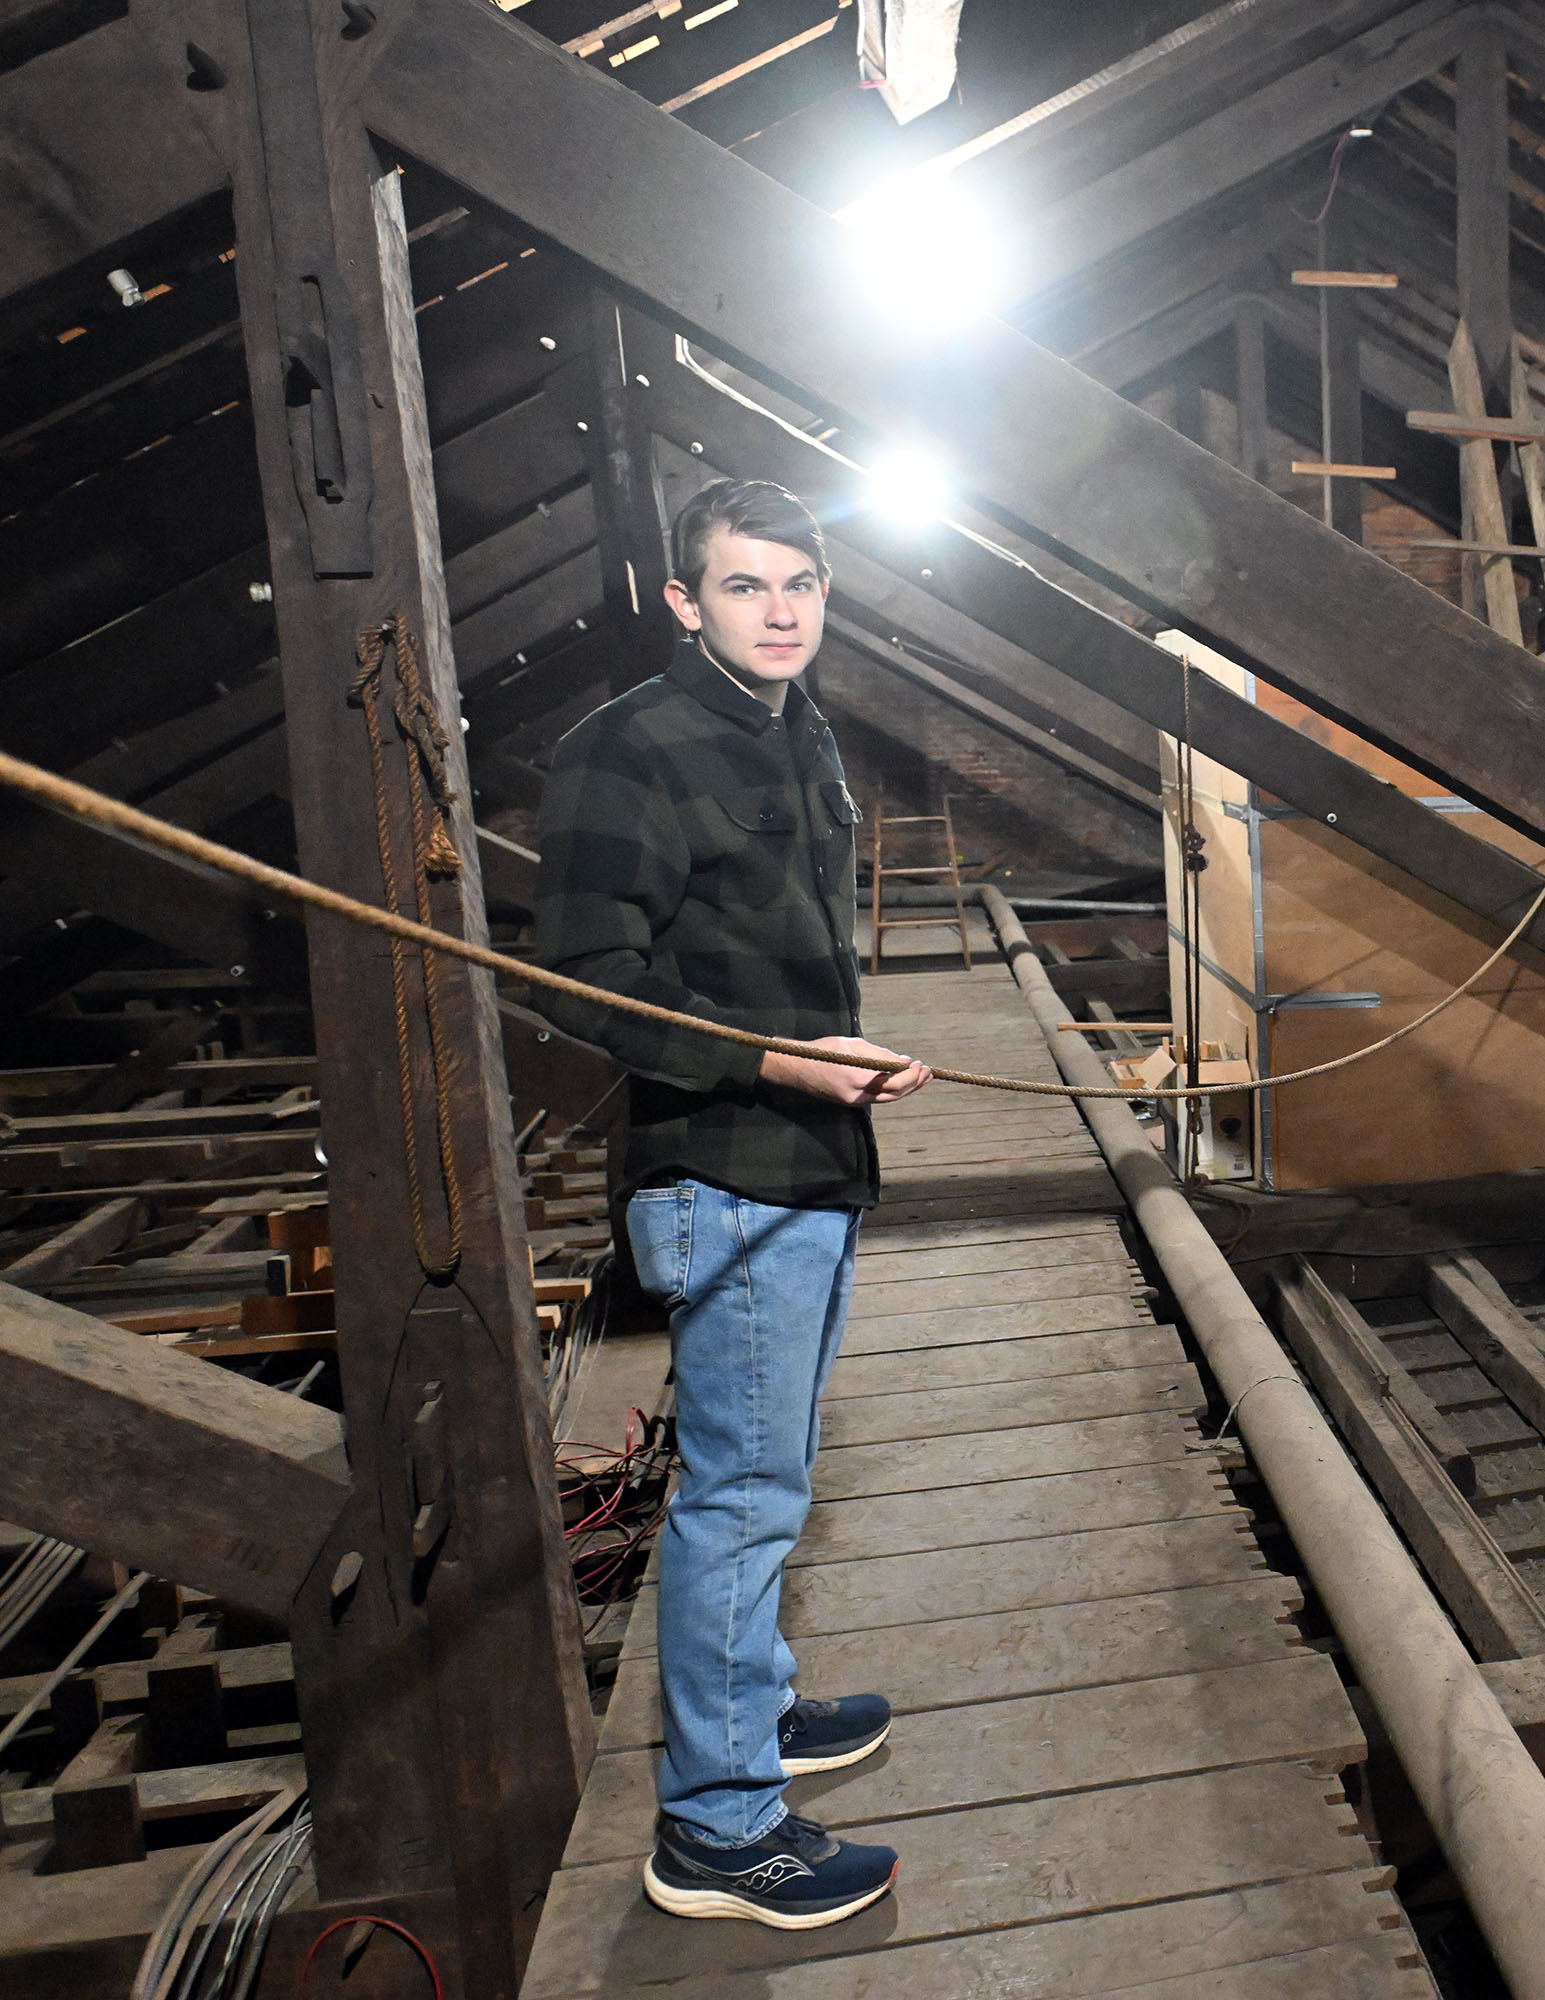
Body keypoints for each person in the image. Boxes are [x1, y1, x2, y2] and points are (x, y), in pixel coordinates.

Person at [533, 477, 925, 1929]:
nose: (782, 612)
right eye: (748, 587)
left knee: (770, 1483)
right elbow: (585, 979)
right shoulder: (626, 750)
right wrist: (780, 1062)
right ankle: (716, 1828)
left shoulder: (794, 723)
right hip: (727, 1171)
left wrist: (829, 1073)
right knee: (741, 1504)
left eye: (803, 585)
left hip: (808, 1162)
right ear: (682, 599)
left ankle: (749, 1710)